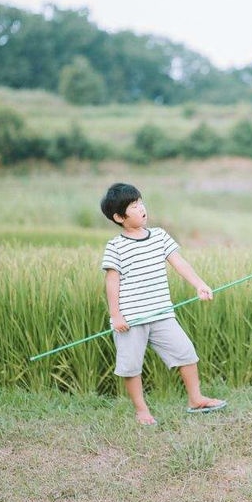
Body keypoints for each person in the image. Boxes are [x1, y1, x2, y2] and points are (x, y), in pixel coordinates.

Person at [100, 182, 226, 425]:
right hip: (131, 319)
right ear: (118, 217)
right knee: (131, 365)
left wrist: (199, 284)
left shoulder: (159, 236)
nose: (141, 209)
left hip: (162, 314)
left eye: (140, 203)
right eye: (134, 206)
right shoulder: (116, 246)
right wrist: (116, 316)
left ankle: (196, 399)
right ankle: (141, 410)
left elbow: (179, 263)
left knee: (186, 353)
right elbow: (112, 283)